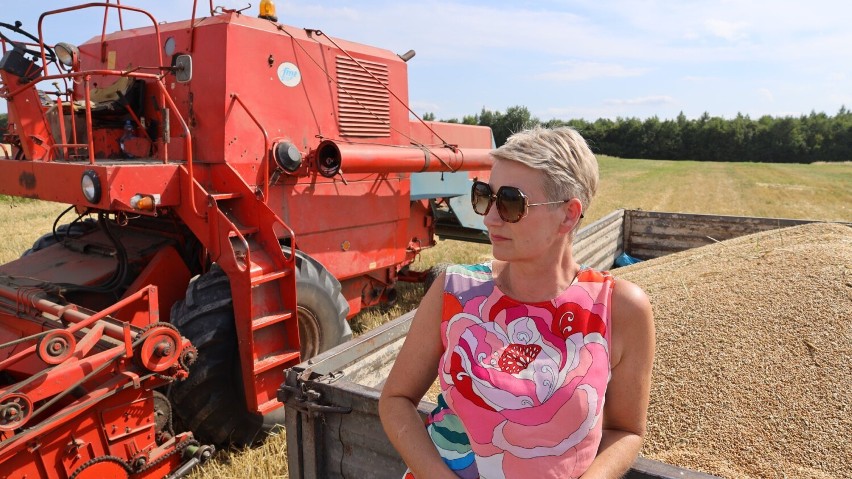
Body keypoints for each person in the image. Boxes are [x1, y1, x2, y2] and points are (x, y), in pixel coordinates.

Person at [379, 126, 655, 479]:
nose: (490, 217)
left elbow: (626, 430)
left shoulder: (620, 309)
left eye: (511, 203)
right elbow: (396, 400)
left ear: (569, 214)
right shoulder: (456, 289)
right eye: (485, 196)